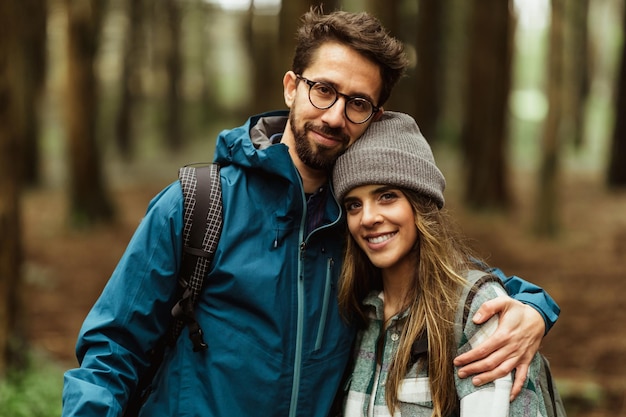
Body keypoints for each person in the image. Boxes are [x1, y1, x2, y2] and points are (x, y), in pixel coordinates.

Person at [62, 8, 559, 417]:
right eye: (324, 89)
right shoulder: (198, 204)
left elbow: (444, 278)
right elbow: (111, 352)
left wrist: (534, 307)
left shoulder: (361, 227)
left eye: (358, 103)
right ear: (291, 87)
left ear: (374, 116)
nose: (335, 115)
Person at [332, 111, 551, 417]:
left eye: (387, 196)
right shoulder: (358, 312)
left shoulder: (475, 311)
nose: (367, 218)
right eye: (354, 204)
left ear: (420, 204)